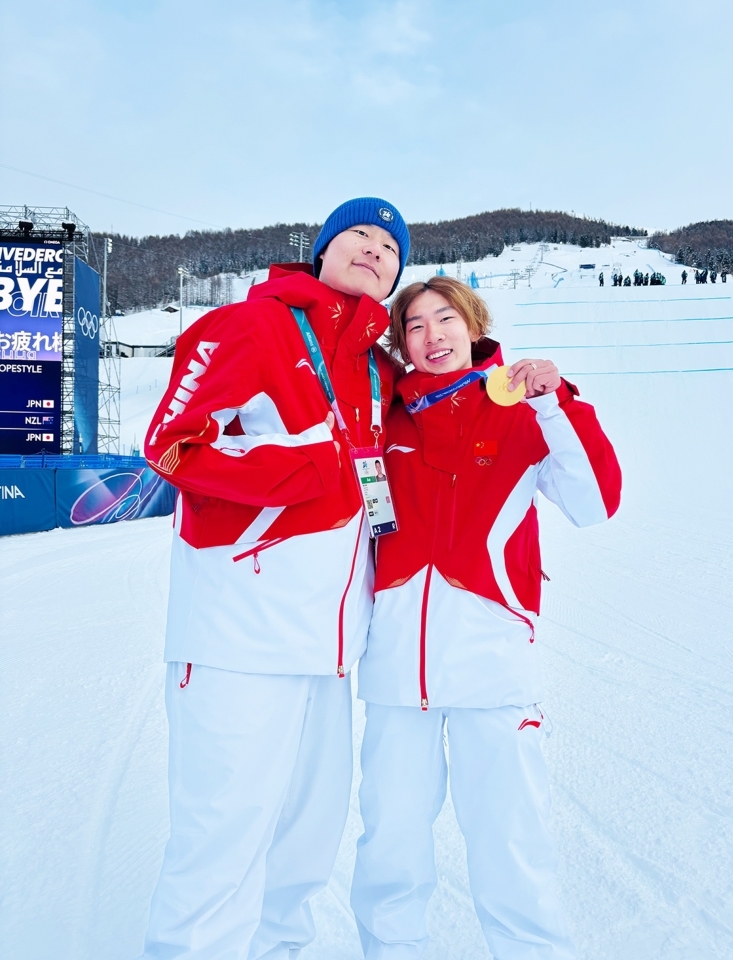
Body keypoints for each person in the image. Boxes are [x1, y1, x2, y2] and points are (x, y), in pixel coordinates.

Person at [140, 197, 409, 960]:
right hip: (237, 639)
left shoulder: (377, 368)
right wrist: (301, 465)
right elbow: (170, 444)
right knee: (219, 851)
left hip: (329, 655)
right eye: (358, 233)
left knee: (302, 854)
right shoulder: (249, 326)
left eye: (390, 247)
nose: (373, 248)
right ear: (321, 249)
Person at [351, 276, 621, 960]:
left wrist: (556, 403)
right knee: (390, 846)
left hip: (491, 665)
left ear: (474, 327)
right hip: (396, 675)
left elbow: (594, 503)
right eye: (414, 326)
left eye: (445, 318)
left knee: (510, 843)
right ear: (402, 344)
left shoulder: (522, 411)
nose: (432, 335)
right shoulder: (386, 420)